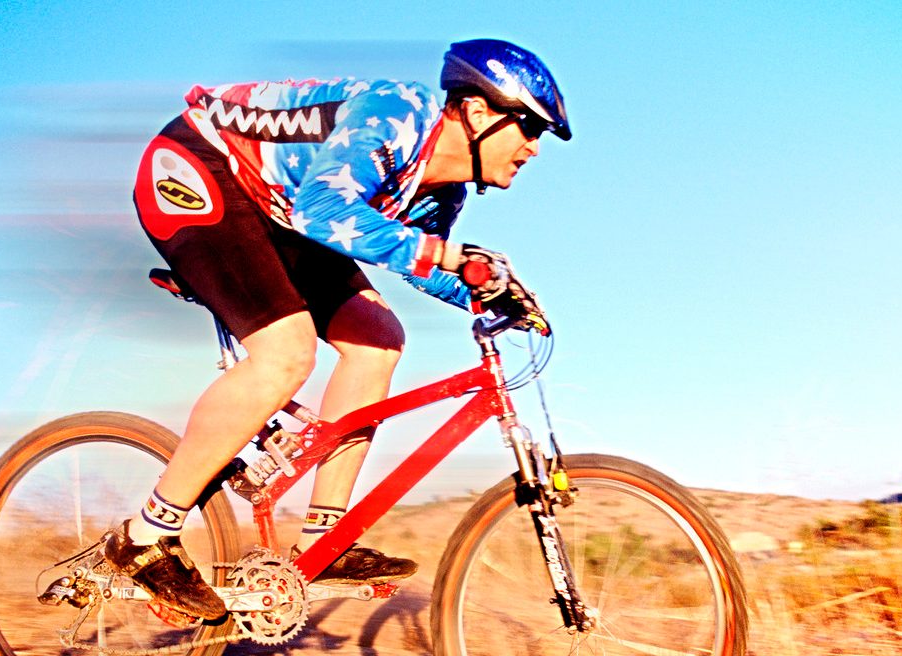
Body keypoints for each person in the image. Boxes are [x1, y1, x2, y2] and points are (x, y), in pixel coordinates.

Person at [109, 38, 570, 620]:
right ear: (479, 112)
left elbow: (413, 258)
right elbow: (326, 213)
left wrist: (485, 294)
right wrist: (453, 258)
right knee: (285, 353)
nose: (533, 146)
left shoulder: (443, 188)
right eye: (529, 126)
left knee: (378, 338)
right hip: (200, 166)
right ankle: (143, 539)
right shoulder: (397, 115)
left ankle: (320, 544)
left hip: (282, 209)